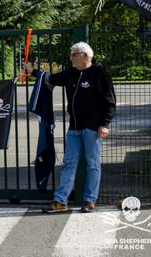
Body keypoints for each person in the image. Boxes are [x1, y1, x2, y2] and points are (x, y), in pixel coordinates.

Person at [25, 41, 116, 213]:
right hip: (74, 127)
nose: (71, 58)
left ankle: (90, 200)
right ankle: (61, 201)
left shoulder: (99, 74)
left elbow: (110, 101)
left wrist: (105, 124)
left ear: (85, 55)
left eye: (74, 54)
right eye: (71, 55)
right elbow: (51, 78)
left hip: (93, 127)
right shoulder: (70, 73)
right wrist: (33, 72)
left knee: (92, 164)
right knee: (69, 163)